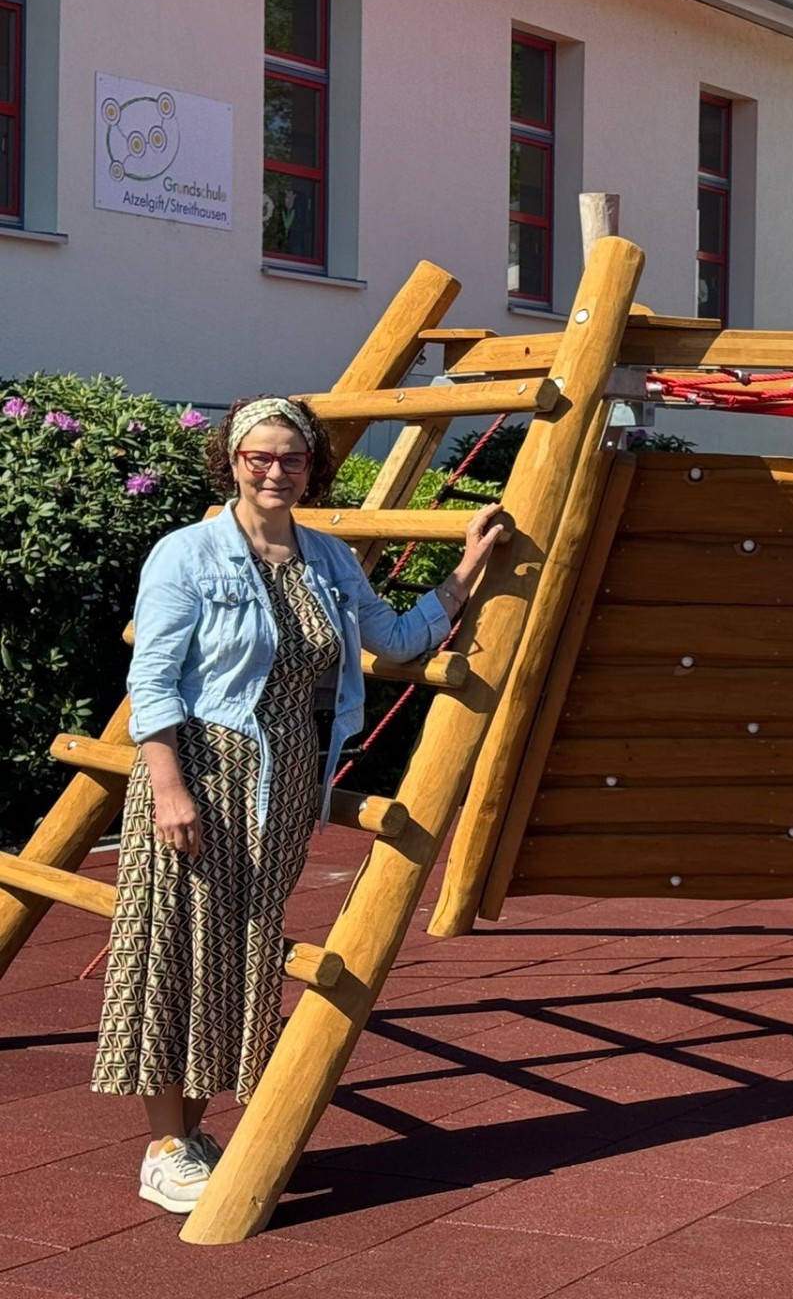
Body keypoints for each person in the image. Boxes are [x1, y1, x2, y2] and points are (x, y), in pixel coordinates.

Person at [93, 395, 506, 1214]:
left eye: (291, 458)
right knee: (173, 946)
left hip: (281, 779)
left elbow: (390, 639)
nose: (275, 471)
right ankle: (163, 1143)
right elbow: (153, 683)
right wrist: (168, 789)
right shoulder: (188, 552)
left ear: (313, 465)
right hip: (201, 769)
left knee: (237, 955)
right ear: (233, 463)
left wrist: (465, 574)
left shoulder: (326, 558)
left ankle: (196, 1130)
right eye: (259, 458)